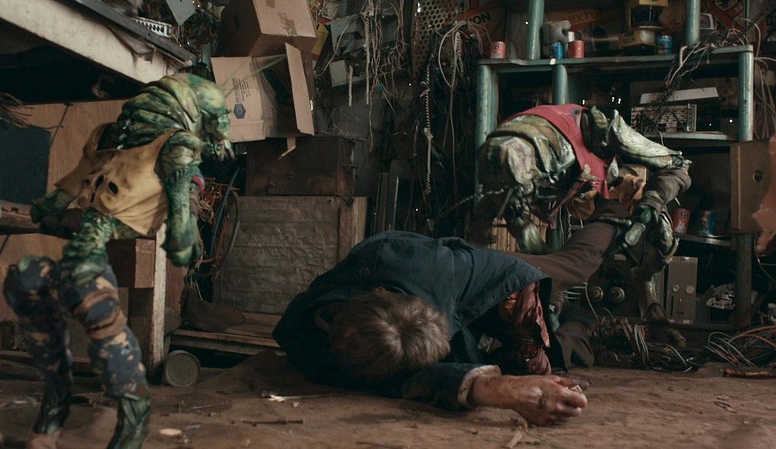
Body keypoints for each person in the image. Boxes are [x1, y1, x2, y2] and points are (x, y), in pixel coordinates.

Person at [3, 73, 233, 449]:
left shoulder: (175, 151)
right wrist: (68, 215)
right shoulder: (109, 141)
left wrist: (184, 221)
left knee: (98, 318)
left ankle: (133, 415)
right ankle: (58, 389)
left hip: (92, 264)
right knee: (25, 278)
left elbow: (181, 238)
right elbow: (52, 206)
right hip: (81, 256)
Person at [272, 199, 632, 426]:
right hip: (453, 315)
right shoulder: (309, 348)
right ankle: (583, 322)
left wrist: (524, 314)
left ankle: (614, 209)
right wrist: (497, 388)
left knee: (575, 266)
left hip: (488, 281)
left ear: (380, 293)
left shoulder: (416, 263)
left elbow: (496, 270)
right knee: (546, 366)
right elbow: (407, 382)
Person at [466, 104, 691, 346]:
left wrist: (650, 205)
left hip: (610, 190)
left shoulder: (601, 129)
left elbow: (679, 165)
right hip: (567, 191)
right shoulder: (503, 164)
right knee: (552, 265)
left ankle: (645, 286)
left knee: (662, 234)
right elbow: (530, 248)